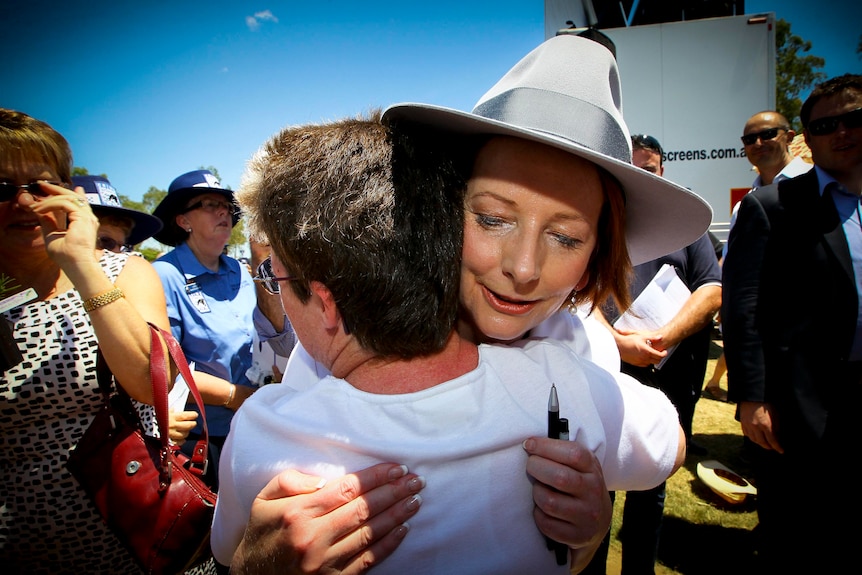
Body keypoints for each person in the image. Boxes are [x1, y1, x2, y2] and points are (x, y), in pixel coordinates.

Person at [217, 35, 713, 574]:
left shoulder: (587, 345)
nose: (523, 269)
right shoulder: (334, 352)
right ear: (441, 212)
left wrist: (592, 534)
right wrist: (254, 563)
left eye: (566, 237)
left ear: (597, 255)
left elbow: (663, 448)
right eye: (493, 218)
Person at [0, 109, 188, 572]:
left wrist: (81, 264)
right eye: (2, 189)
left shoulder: (121, 271)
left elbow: (152, 383)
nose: (24, 203)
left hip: (126, 534)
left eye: (40, 186)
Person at [722, 73, 862, 572]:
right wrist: (752, 397)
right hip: (804, 402)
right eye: (827, 125)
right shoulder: (772, 207)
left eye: (854, 119)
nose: (842, 132)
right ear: (809, 135)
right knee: (799, 529)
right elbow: (744, 307)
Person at [590, 134, 722, 575]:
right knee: (600, 483)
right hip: (606, 376)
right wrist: (616, 341)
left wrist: (666, 335)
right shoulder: (599, 220)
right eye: (633, 168)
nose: (642, 177)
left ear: (662, 171)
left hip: (667, 381)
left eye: (650, 169)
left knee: (652, 488)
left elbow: (711, 288)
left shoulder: (687, 224)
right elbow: (575, 293)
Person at [151, 170, 296, 485]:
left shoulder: (240, 271)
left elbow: (271, 334)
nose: (223, 211)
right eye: (208, 204)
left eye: (227, 206)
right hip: (205, 437)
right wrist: (234, 395)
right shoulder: (164, 276)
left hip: (257, 421)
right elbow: (165, 367)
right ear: (183, 221)